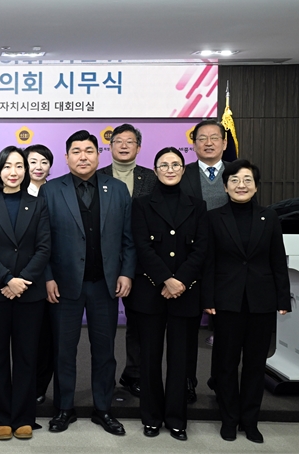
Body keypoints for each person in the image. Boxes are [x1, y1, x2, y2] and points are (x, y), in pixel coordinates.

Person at [40, 130, 135, 436]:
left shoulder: (117, 189)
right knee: (64, 350)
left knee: (105, 350)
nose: (83, 156)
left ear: (98, 154)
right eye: (76, 151)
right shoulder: (50, 191)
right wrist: (47, 277)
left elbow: (128, 238)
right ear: (66, 157)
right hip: (64, 285)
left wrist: (126, 272)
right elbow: (42, 241)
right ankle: (64, 408)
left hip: (104, 284)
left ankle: (103, 408)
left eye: (89, 150)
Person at [204, 160, 291, 444]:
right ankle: (229, 419)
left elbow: (278, 259)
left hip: (261, 301)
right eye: (234, 180)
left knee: (255, 364)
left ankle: (250, 421)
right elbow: (208, 262)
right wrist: (208, 297)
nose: (241, 185)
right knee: (226, 363)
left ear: (255, 186)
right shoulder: (214, 217)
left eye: (247, 180)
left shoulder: (270, 217)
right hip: (226, 301)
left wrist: (283, 297)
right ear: (225, 186)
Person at [130, 147, 208, 441]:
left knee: (180, 359)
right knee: (149, 358)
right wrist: (166, 279)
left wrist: (180, 281)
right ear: (155, 170)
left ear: (183, 170)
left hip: (185, 293)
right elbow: (142, 246)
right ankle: (151, 417)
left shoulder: (197, 206)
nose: (170, 169)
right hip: (151, 291)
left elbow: (201, 248)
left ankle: (176, 419)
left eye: (176, 164)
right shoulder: (141, 204)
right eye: (164, 165)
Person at [0, 146, 50, 440]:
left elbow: (44, 248)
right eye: (8, 166)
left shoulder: (39, 204)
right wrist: (7, 279)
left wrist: (22, 281)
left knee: (26, 355)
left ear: (26, 171)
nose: (14, 172)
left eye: (19, 166)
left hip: (29, 294)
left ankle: (23, 416)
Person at [97, 124, 156, 398]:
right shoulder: (97, 177)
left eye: (129, 142)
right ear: (109, 147)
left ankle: (134, 374)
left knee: (138, 323)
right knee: (103, 326)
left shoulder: (151, 178)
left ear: (138, 147)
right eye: (118, 141)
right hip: (104, 260)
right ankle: (103, 378)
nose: (123, 146)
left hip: (142, 262)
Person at [179, 118, 230, 403]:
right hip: (190, 261)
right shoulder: (182, 173)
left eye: (214, 138)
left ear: (224, 142)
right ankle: (187, 381)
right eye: (202, 138)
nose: (208, 143)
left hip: (227, 264)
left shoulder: (237, 173)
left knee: (226, 328)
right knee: (187, 329)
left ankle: (221, 381)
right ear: (194, 143)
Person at [24, 144, 56, 404]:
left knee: (47, 336)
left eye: (44, 162)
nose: (38, 167)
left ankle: (39, 385)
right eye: (32, 161)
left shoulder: (56, 193)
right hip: (20, 278)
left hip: (50, 276)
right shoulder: (13, 192)